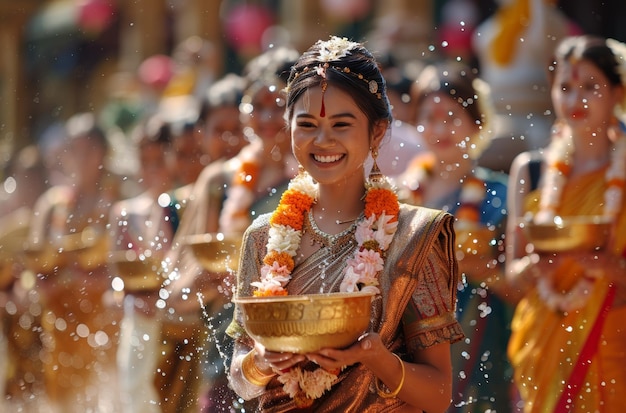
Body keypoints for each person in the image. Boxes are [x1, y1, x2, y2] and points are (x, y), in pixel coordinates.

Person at [226, 36, 464, 412]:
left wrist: (376, 357)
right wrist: (260, 362)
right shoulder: (262, 236)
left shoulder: (412, 236)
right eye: (307, 124)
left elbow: (438, 395)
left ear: (377, 132)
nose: (323, 140)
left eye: (341, 124)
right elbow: (240, 381)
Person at [161, 47, 300, 413]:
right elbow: (177, 284)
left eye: (280, 106)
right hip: (226, 352)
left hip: (295, 354)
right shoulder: (219, 181)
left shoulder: (313, 178)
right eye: (258, 105)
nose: (268, 118)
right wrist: (211, 281)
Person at [505, 35, 626, 413]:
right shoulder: (531, 170)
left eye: (590, 87)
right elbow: (512, 274)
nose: (575, 100)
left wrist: (610, 269)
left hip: (609, 335)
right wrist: (533, 268)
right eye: (565, 87)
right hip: (543, 335)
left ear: (618, 93)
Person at [395, 61, 519, 412]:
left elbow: (522, 288)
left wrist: (479, 269)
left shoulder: (499, 196)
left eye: (452, 117)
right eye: (429, 117)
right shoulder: (399, 197)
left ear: (476, 122)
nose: (440, 128)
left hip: (480, 339)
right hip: (408, 342)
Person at [24, 112, 125, 412]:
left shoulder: (119, 201)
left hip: (104, 319)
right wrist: (40, 285)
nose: (80, 159)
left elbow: (131, 261)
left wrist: (103, 281)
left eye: (88, 150)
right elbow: (31, 259)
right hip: (59, 320)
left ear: (103, 153)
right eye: (74, 150)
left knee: (104, 396)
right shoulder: (52, 204)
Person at [108, 114, 176, 413]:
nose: (151, 170)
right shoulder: (124, 213)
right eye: (144, 161)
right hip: (139, 315)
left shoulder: (180, 207)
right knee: (136, 391)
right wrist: (126, 299)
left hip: (176, 314)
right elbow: (117, 278)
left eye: (159, 161)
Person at [472, 0, 578, 172]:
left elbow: (543, 37)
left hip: (536, 116)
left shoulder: (545, 20)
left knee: (544, 157)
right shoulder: (492, 27)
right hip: (497, 114)